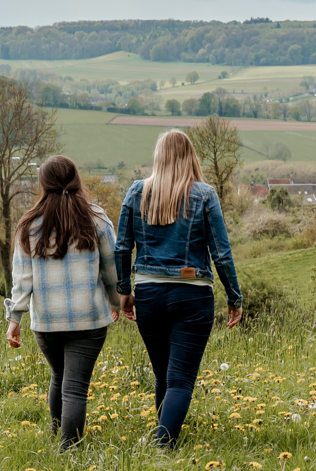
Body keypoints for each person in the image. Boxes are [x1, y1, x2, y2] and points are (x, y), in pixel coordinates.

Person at [115, 130, 243, 449]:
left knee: (164, 375)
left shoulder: (136, 191)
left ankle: (166, 438)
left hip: (148, 294)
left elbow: (121, 248)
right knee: (181, 379)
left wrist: (124, 291)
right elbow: (222, 253)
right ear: (191, 157)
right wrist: (234, 297)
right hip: (192, 294)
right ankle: (163, 447)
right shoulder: (205, 194)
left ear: (159, 156)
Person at [4, 155, 125, 450]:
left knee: (59, 376)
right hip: (89, 319)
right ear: (77, 180)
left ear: (42, 184)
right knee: (75, 387)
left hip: (46, 321)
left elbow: (22, 280)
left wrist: (15, 318)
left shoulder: (28, 225)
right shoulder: (97, 219)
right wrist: (117, 303)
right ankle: (68, 450)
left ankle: (58, 436)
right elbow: (112, 270)